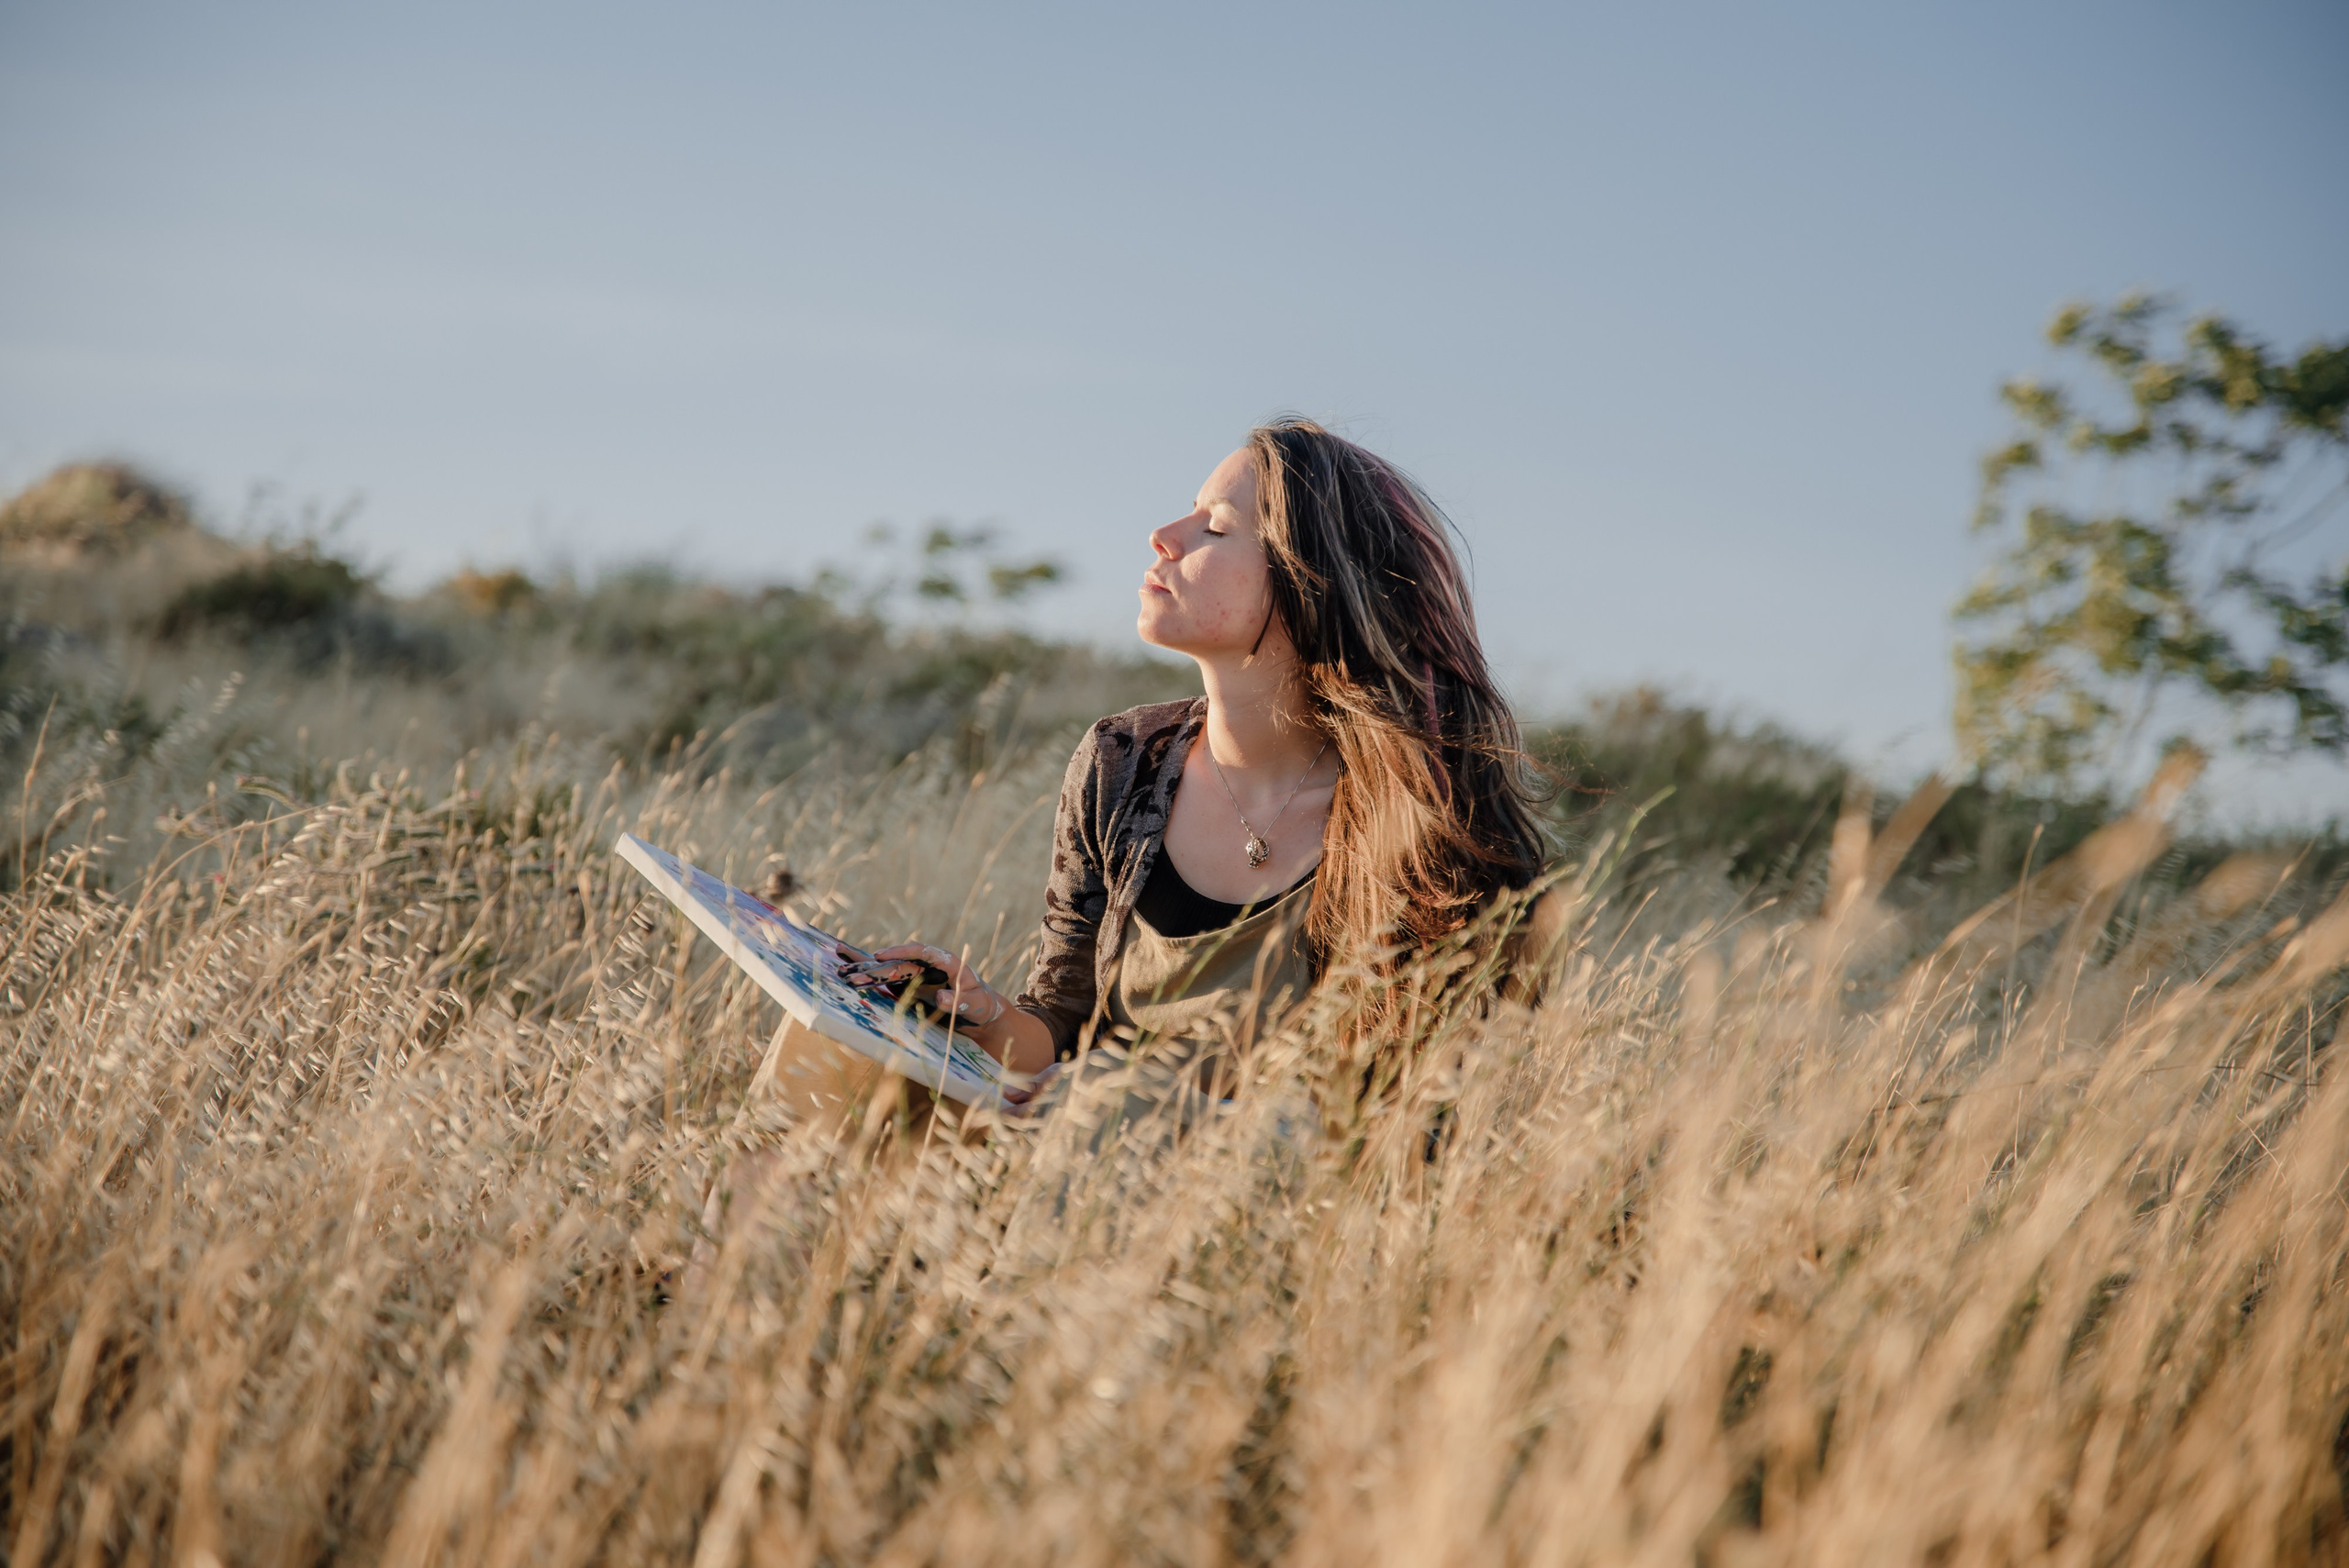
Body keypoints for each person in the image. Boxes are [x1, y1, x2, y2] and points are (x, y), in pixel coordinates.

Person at [842, 417, 1553, 1106]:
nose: (1163, 536)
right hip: (1055, 1148)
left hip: (1227, 1195)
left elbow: (1396, 1119)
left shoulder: (1415, 827)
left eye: (1214, 527)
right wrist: (984, 1013)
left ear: (1312, 584)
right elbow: (1059, 1022)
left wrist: (1140, 1106)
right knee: (832, 1045)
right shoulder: (1121, 764)